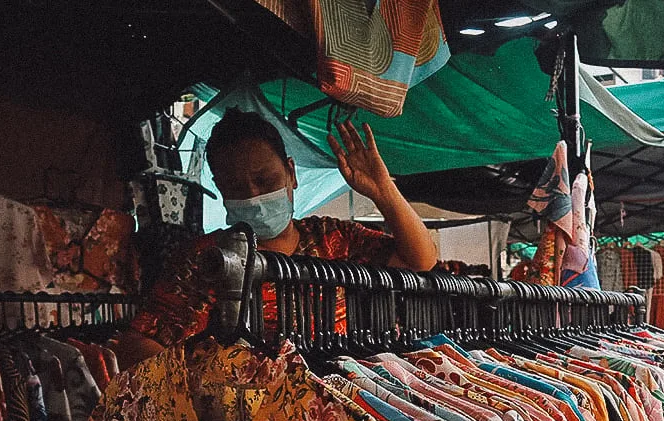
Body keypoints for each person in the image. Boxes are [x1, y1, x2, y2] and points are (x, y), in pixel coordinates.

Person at [117, 109, 437, 367]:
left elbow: (420, 260)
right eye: (236, 188)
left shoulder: (332, 238)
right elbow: (138, 343)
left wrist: (384, 191)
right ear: (220, 190)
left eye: (264, 179)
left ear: (291, 173)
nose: (254, 196)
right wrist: (207, 383)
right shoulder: (208, 258)